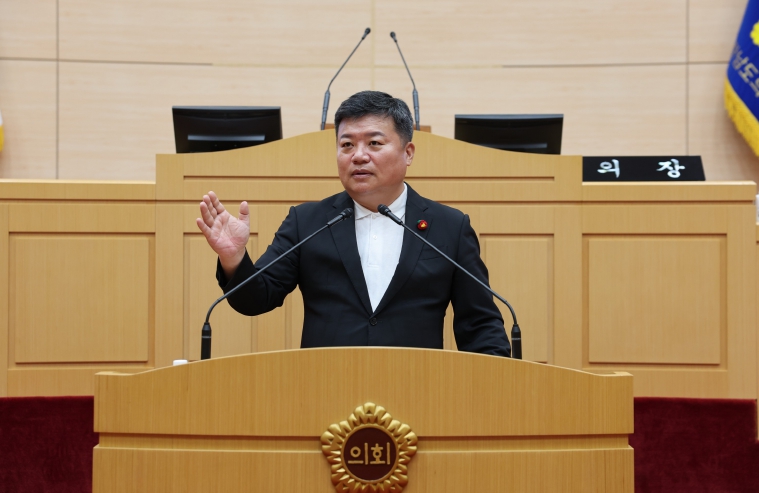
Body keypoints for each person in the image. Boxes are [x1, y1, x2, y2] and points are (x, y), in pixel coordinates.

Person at [197, 91, 511, 356]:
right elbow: (255, 300)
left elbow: (480, 324)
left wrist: (498, 386)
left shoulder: (449, 227)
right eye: (347, 145)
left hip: (418, 390)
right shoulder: (308, 222)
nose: (358, 156)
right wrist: (234, 258)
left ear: (408, 153)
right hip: (327, 390)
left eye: (374, 143)